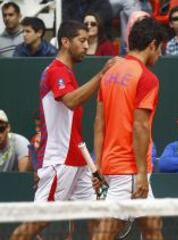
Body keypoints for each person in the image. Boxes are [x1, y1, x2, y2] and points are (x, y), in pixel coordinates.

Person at [11, 20, 119, 240]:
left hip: (78, 161)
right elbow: (70, 100)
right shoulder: (56, 71)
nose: (86, 46)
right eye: (82, 40)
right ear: (65, 42)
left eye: (88, 41)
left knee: (96, 217)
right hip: (58, 161)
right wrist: (102, 75)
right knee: (40, 221)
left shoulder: (68, 73)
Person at [92, 18, 167, 240]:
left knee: (153, 226)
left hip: (112, 165)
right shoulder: (147, 77)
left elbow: (99, 122)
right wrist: (142, 173)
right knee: (105, 234)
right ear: (152, 44)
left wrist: (99, 163)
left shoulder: (110, 73)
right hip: (130, 169)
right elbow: (140, 125)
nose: (160, 55)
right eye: (160, 49)